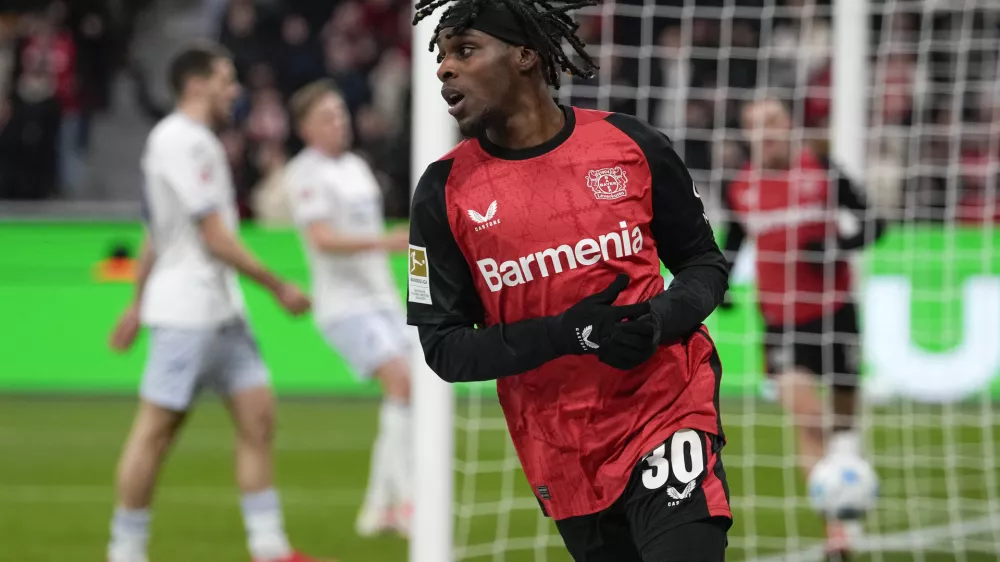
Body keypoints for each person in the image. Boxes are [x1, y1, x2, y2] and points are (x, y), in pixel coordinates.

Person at [406, 1, 732, 560]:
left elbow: (704, 263)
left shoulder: (632, 146)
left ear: (526, 56)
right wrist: (567, 334)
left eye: (464, 50)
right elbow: (444, 348)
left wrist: (656, 322)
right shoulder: (441, 195)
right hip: (561, 443)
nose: (443, 69)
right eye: (441, 57)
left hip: (665, 405)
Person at [106, 43, 327, 562]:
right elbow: (214, 236)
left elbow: (155, 233)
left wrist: (135, 303)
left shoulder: (194, 141)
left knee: (259, 418)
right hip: (186, 312)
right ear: (198, 83)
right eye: (227, 80)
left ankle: (270, 548)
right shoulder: (180, 141)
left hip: (222, 310)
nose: (236, 90)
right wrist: (278, 285)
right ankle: (125, 551)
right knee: (156, 433)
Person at [721, 97, 887, 559]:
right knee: (808, 421)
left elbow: (876, 222)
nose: (765, 131)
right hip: (781, 322)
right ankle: (836, 529)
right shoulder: (741, 187)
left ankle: (845, 468)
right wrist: (725, 283)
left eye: (772, 121)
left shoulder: (823, 169)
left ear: (789, 125)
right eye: (754, 124)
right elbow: (734, 240)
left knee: (842, 420)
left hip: (837, 314)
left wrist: (839, 244)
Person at [283, 80, 413, 537]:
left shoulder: (358, 166)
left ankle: (379, 509)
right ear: (305, 128)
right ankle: (407, 502)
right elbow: (322, 239)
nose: (339, 122)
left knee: (408, 393)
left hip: (382, 299)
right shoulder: (304, 174)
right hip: (343, 306)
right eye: (326, 117)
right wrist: (389, 241)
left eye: (340, 113)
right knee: (402, 383)